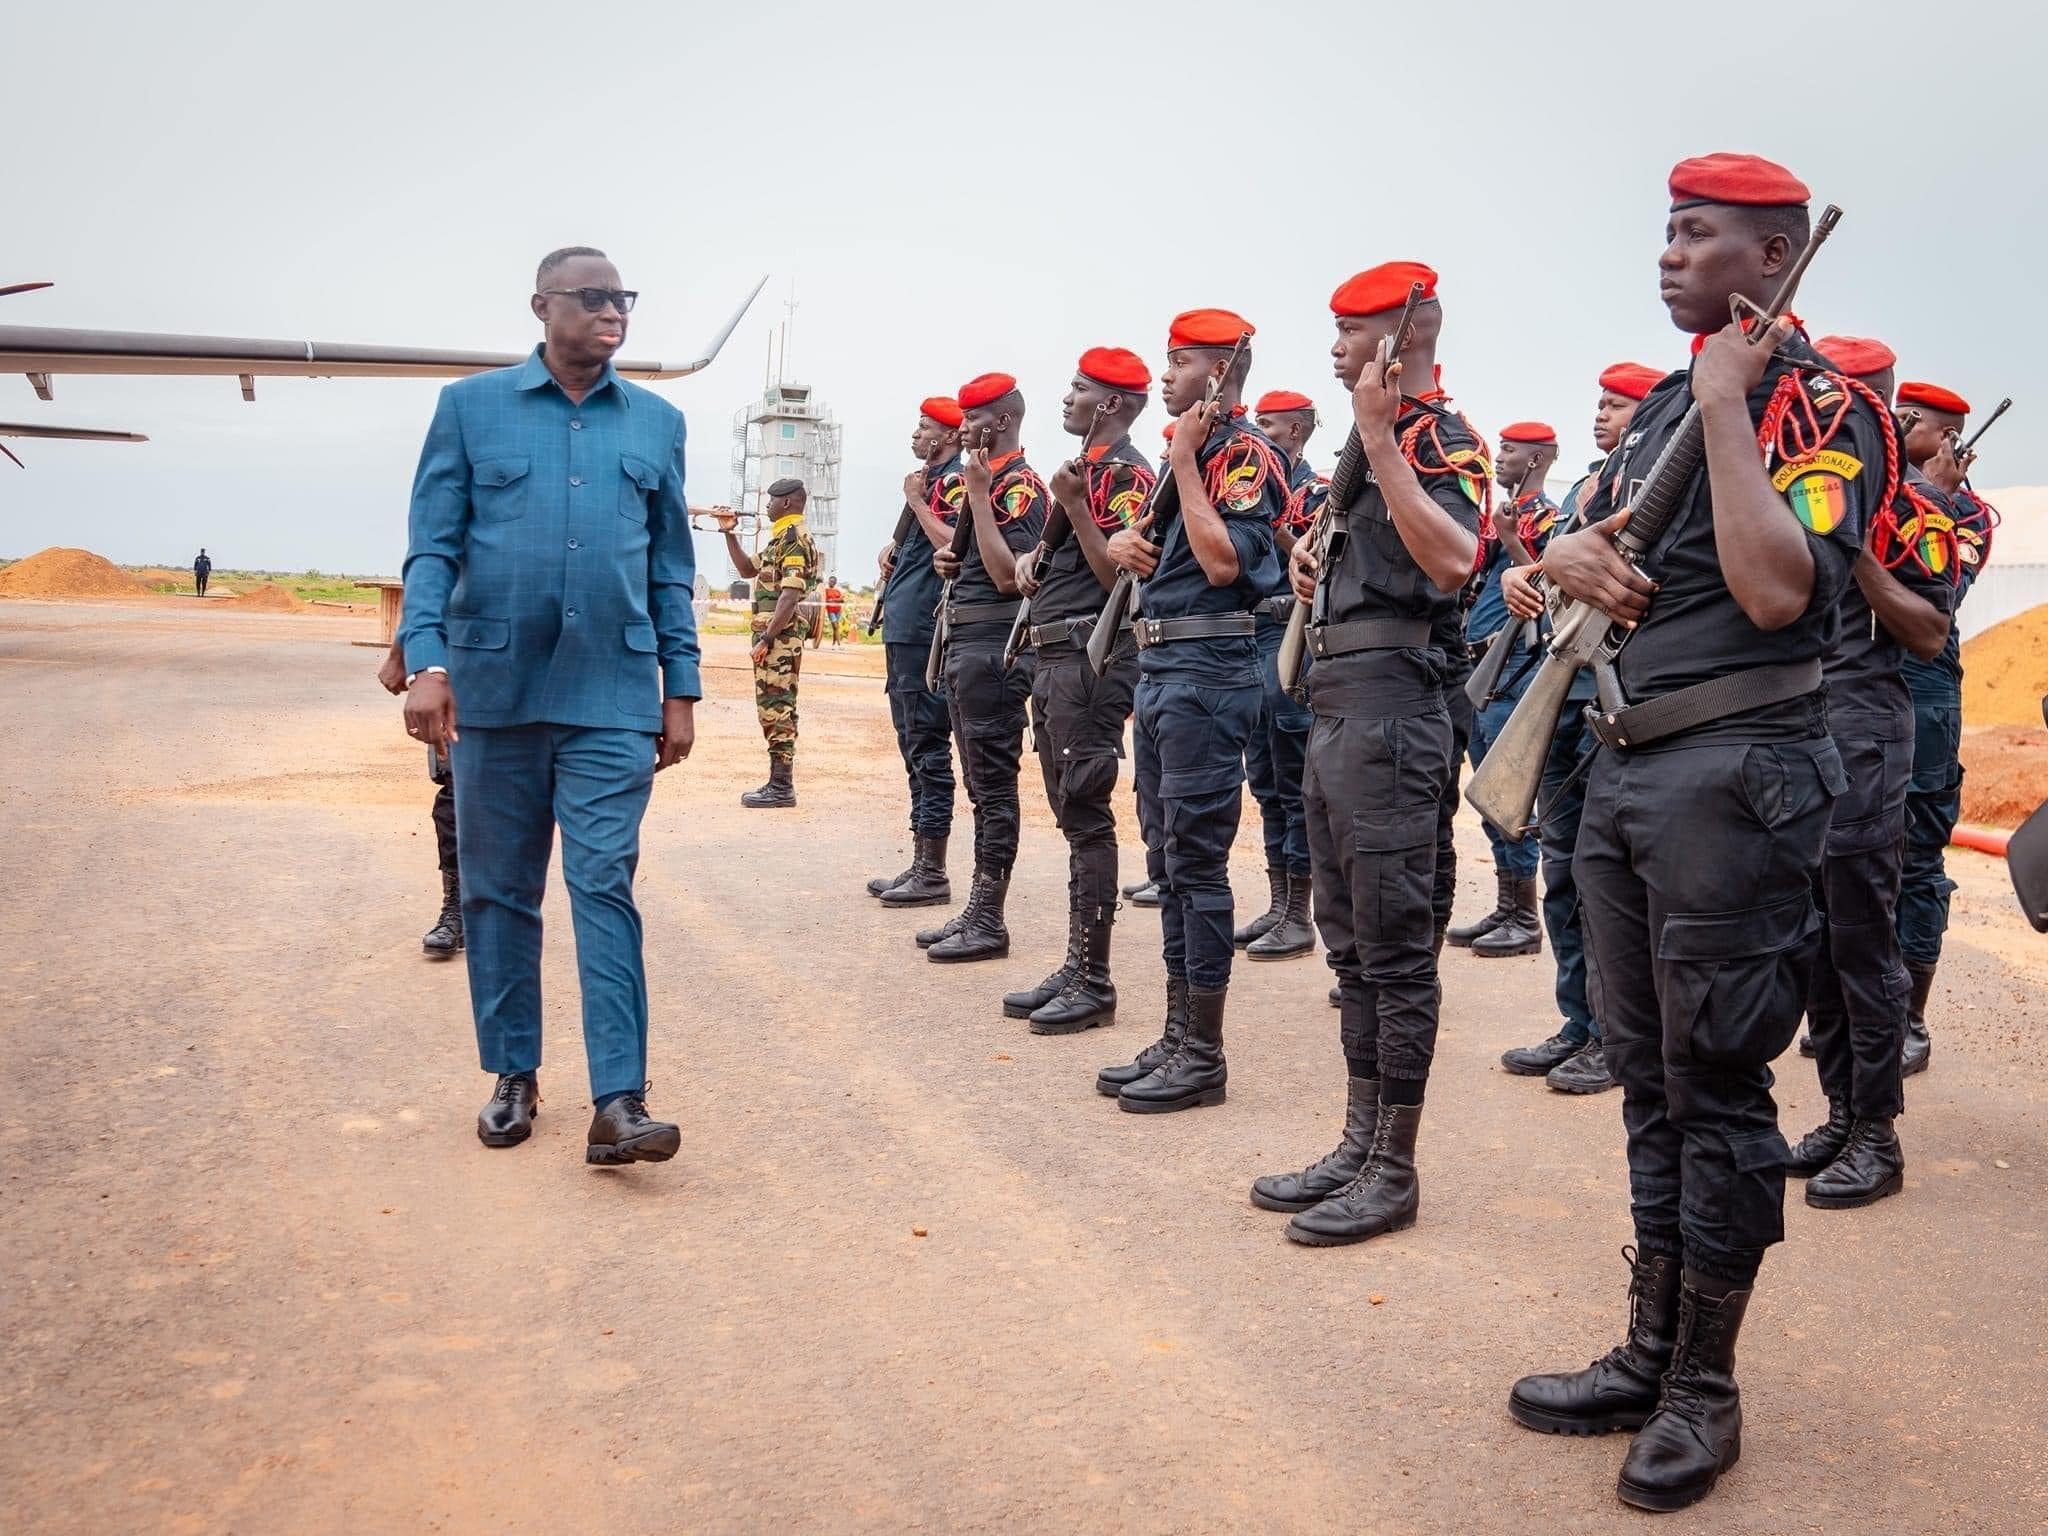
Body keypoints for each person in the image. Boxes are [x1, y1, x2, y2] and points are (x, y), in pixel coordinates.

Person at [1507, 156, 1893, 1513]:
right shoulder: (1658, 408)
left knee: (1719, 1083)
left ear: (1777, 256)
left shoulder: (1825, 408)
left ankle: (1705, 1389)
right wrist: (1548, 562)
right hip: (1621, 774)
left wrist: (1733, 413)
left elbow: (1780, 589)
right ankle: (1650, 1347)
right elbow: (1559, 549)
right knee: (1649, 1079)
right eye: (1663, 229)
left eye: (1698, 233)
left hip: (1740, 781)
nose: (1669, 253)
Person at [400, 244, 699, 1165]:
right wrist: (426, 662)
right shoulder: (470, 409)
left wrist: (679, 686)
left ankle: (621, 1099)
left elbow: (670, 569)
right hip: (494, 694)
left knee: (603, 884)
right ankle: (514, 1073)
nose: (613, 313)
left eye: (624, 300)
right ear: (542, 306)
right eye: (593, 298)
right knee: (498, 894)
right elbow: (432, 547)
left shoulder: (657, 423)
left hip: (612, 692)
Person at [1248, 262, 1483, 1240]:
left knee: (1393, 948)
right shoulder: (1362, 450)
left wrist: (1382, 435)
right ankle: (1356, 1140)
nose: (1335, 348)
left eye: (1352, 330)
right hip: (1338, 704)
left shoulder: (1440, 440)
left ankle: (1393, 1166)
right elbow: (1359, 547)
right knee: (1348, 944)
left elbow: (1452, 559)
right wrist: (1316, 553)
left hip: (1394, 712)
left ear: (1407, 332)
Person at [1778, 335, 1958, 1209]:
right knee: (1812, 940)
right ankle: (1841, 1113)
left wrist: (1857, 556)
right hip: (1799, 726)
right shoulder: (1802, 492)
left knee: (1862, 939)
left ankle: (1878, 1137)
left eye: (1841, 401)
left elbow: (1928, 633)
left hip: (1865, 730)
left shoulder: (1908, 511)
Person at [1095, 307, 1282, 1112]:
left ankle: (1202, 1054)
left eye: (1177, 362)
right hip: (1165, 664)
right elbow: (1157, 552)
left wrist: (1180, 456)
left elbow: (1221, 561)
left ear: (1218, 369)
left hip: (1209, 670)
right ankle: (1178, 1031)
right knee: (1167, 860)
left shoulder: (1241, 453)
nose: (1163, 376)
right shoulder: (1191, 458)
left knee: (1197, 863)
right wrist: (1125, 545)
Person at [1497, 363, 1661, 1095]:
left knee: (1607, 884)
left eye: (1618, 404)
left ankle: (1615, 1034)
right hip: (1559, 684)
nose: (1603, 414)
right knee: (1562, 871)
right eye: (1598, 402)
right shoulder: (1590, 486)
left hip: (1609, 692)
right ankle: (1579, 1021)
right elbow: (1565, 567)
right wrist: (1522, 570)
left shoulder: (1657, 484)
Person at [1004, 347, 1154, 1033]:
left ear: (1113, 404)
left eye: (1079, 388)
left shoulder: (1124, 476)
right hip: (1056, 659)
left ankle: (1093, 979)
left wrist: (1072, 507)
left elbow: (1116, 582)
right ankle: (1077, 963)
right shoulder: (1083, 473)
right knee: (1072, 812)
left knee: (1087, 814)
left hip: (1092, 661)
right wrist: (1041, 551)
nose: (1065, 398)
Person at [917, 372, 1046, 962]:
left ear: (1000, 422)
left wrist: (975, 496)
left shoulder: (1018, 486)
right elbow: (971, 561)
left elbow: (1005, 575)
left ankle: (989, 916)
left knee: (994, 786)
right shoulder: (988, 481)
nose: (961, 427)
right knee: (979, 785)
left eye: (972, 418)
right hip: (966, 643)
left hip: (995, 649)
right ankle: (976, 905)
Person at [1889, 380, 1998, 1075]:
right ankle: (1855, 1005)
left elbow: (1940, 598)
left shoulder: (1969, 514)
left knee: (1918, 862)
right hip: (1855, 691)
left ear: (1949, 439)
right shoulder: (1879, 490)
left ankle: (1909, 1019)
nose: (1896, 425)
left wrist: (1932, 493)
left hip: (1923, 698)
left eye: (1912, 420)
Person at [1451, 421, 1561, 959]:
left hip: (1514, 667)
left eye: (1511, 450)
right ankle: (1506, 904)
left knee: (1508, 794)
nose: (1500, 456)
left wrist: (1514, 539)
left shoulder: (1548, 519)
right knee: (1488, 795)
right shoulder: (1498, 518)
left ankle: (1524, 916)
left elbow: (1549, 587)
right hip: (1482, 671)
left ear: (1538, 460)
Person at [1235, 388, 1323, 961]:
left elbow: (1317, 555)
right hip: (1252, 638)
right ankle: (1277, 900)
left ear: (1296, 431)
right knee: (1264, 778)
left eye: (1269, 424)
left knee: (1294, 779)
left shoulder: (1315, 493)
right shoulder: (1248, 481)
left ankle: (1299, 913)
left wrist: (1274, 526)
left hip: (1292, 635)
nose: (1258, 431)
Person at [869, 397, 965, 906]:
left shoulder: (950, 482)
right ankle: (920, 862)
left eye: (924, 426)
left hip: (924, 632)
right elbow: (919, 548)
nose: (915, 433)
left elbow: (955, 544)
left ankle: (933, 872)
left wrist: (920, 504)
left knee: (927, 747)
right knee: (913, 747)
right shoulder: (928, 481)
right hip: (904, 629)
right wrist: (893, 551)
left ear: (946, 436)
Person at [723, 479, 820, 808]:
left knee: (775, 709)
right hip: (776, 637)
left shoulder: (793, 539)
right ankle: (780, 782)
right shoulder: (778, 539)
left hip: (779, 639)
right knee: (778, 708)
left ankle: (781, 787)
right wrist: (728, 532)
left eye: (772, 501)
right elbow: (745, 569)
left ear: (789, 503)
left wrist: (767, 638)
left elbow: (790, 595)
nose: (766, 506)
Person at [379, 638, 463, 956]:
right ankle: (457, 909)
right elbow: (427, 588)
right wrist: (404, 649)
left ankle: (503, 906)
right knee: (456, 794)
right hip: (472, 658)